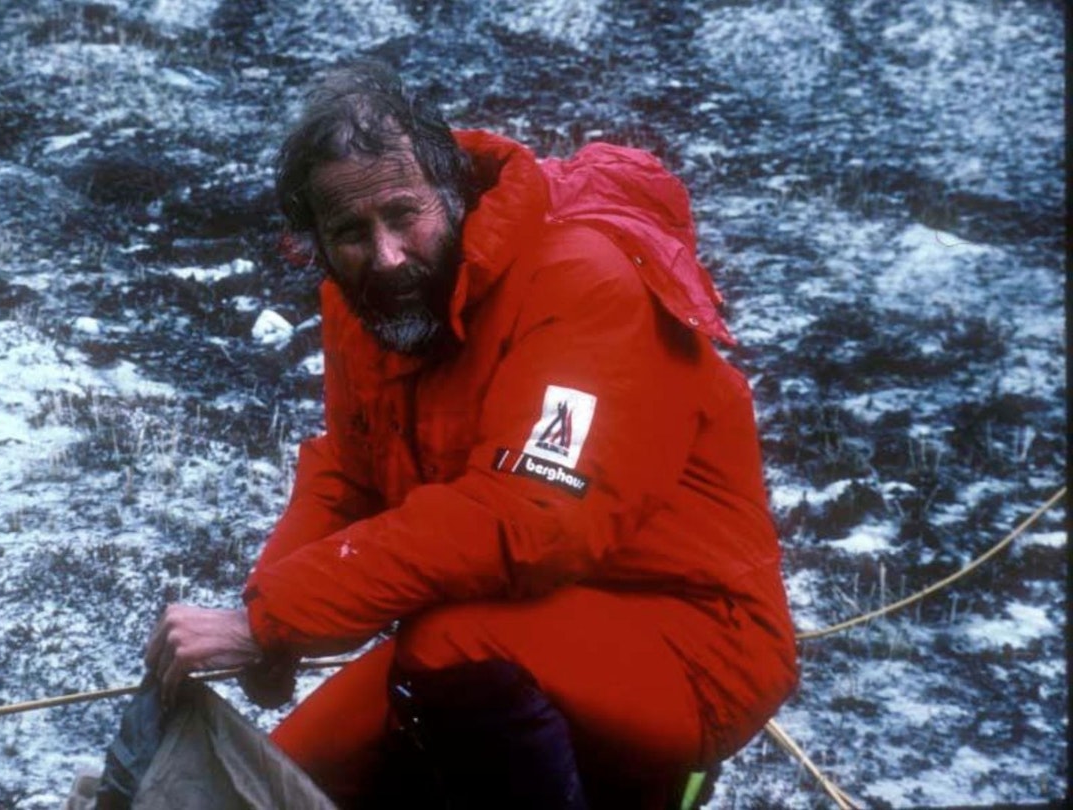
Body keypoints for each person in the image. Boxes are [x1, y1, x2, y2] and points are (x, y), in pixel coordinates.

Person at [143, 60, 798, 809]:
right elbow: (349, 476)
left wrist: (272, 621)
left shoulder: (581, 283)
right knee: (272, 781)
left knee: (449, 651)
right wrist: (268, 612)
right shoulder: (365, 306)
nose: (385, 255)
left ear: (451, 194)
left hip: (690, 642)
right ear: (314, 242)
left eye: (403, 214)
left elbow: (529, 517)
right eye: (351, 232)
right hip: (510, 622)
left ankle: (641, 790)